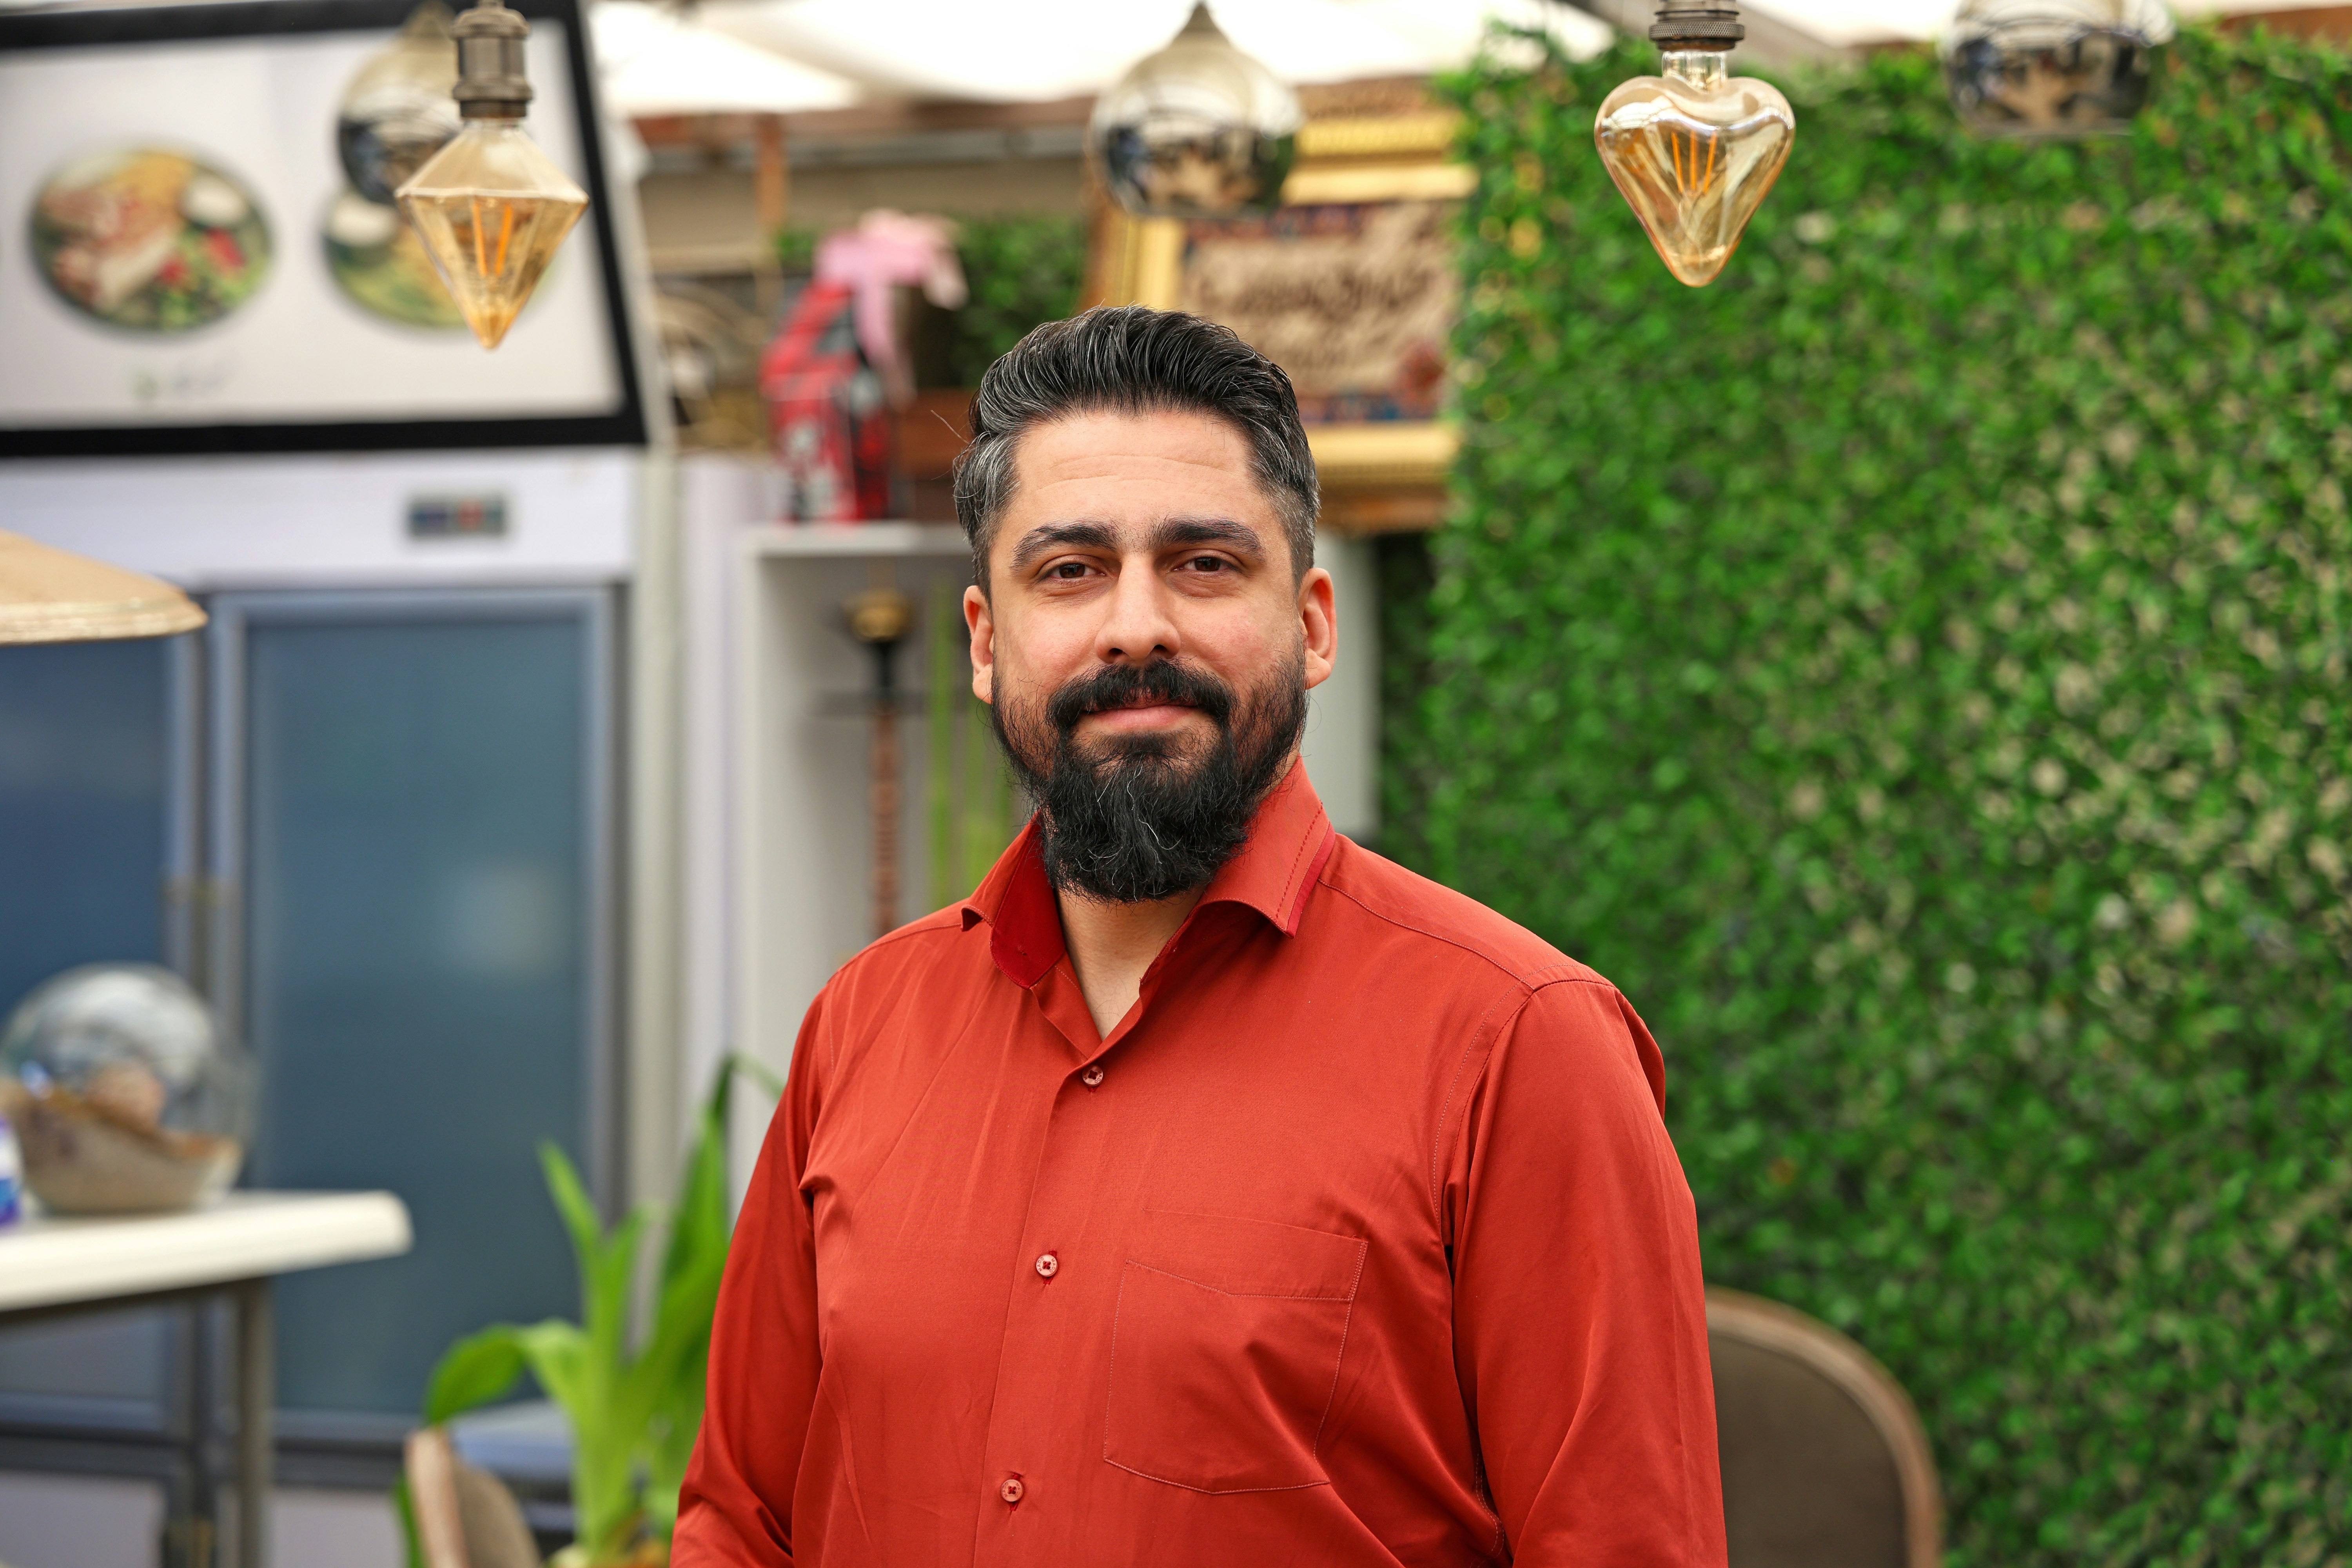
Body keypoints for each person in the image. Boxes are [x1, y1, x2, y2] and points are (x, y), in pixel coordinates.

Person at [675, 306, 1726, 1567]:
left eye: (1205, 564)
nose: (1135, 627)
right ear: (984, 640)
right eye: (1068, 571)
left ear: (1315, 624)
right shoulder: (864, 1025)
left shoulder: (1521, 1046)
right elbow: (742, 1521)